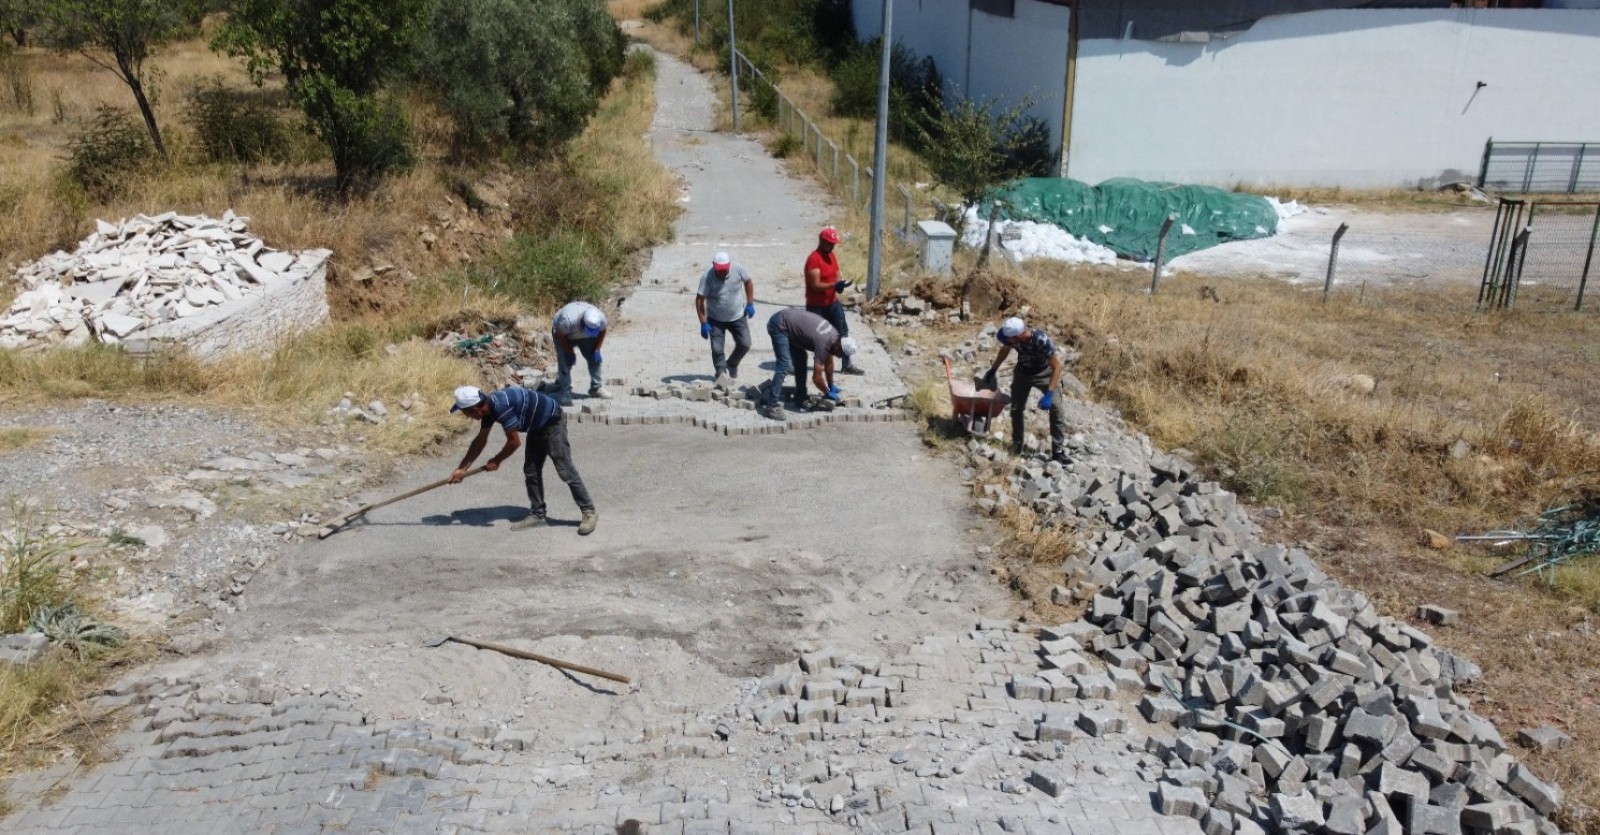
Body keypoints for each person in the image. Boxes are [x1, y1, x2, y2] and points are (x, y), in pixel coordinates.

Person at [449, 385, 597, 535]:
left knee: (565, 470)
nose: (467, 417)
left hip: (552, 422)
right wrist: (462, 469)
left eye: (465, 413)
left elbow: (514, 442)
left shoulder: (501, 406)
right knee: (531, 471)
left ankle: (589, 511)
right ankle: (538, 515)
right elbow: (480, 441)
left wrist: (497, 460)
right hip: (535, 427)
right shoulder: (488, 410)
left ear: (475, 409)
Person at [982, 317, 1069, 465]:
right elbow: (1004, 350)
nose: (1005, 342)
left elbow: (1057, 367)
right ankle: (1017, 445)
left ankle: (1058, 452)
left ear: (1016, 337)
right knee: (1016, 409)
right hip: (1023, 373)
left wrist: (1049, 394)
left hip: (1044, 373)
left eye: (1007, 339)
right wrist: (993, 370)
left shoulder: (1041, 340)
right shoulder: (1012, 340)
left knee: (1057, 409)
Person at [757, 308, 857, 421]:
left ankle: (800, 398)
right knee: (785, 364)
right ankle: (772, 406)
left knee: (801, 359)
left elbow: (828, 363)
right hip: (779, 325)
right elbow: (816, 378)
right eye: (841, 354)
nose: (839, 357)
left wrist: (830, 384)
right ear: (838, 346)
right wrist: (827, 392)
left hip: (792, 327)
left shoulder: (834, 338)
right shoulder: (824, 342)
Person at [803, 226, 863, 376]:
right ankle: (813, 364)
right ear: (821, 241)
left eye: (833, 244)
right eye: (829, 243)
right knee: (818, 337)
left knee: (842, 332)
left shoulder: (832, 257)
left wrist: (840, 285)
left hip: (832, 303)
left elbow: (836, 276)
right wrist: (833, 285)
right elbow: (815, 285)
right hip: (816, 306)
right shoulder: (814, 260)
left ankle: (847, 364)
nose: (832, 246)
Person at [695, 251, 757, 387]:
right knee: (717, 349)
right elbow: (700, 301)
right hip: (715, 319)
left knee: (745, 344)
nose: (722, 273)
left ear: (729, 265)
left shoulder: (738, 269)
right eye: (719, 270)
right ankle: (721, 376)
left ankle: (732, 363)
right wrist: (703, 322)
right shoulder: (707, 277)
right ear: (714, 266)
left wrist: (750, 303)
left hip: (737, 316)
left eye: (724, 270)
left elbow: (748, 283)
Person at [551, 301, 610, 406]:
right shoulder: (567, 321)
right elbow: (561, 335)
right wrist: (568, 351)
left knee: (594, 359)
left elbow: (603, 331)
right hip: (564, 335)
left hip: (585, 338)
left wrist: (597, 349)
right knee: (564, 363)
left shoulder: (600, 319)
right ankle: (566, 393)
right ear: (582, 322)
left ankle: (596, 388)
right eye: (588, 330)